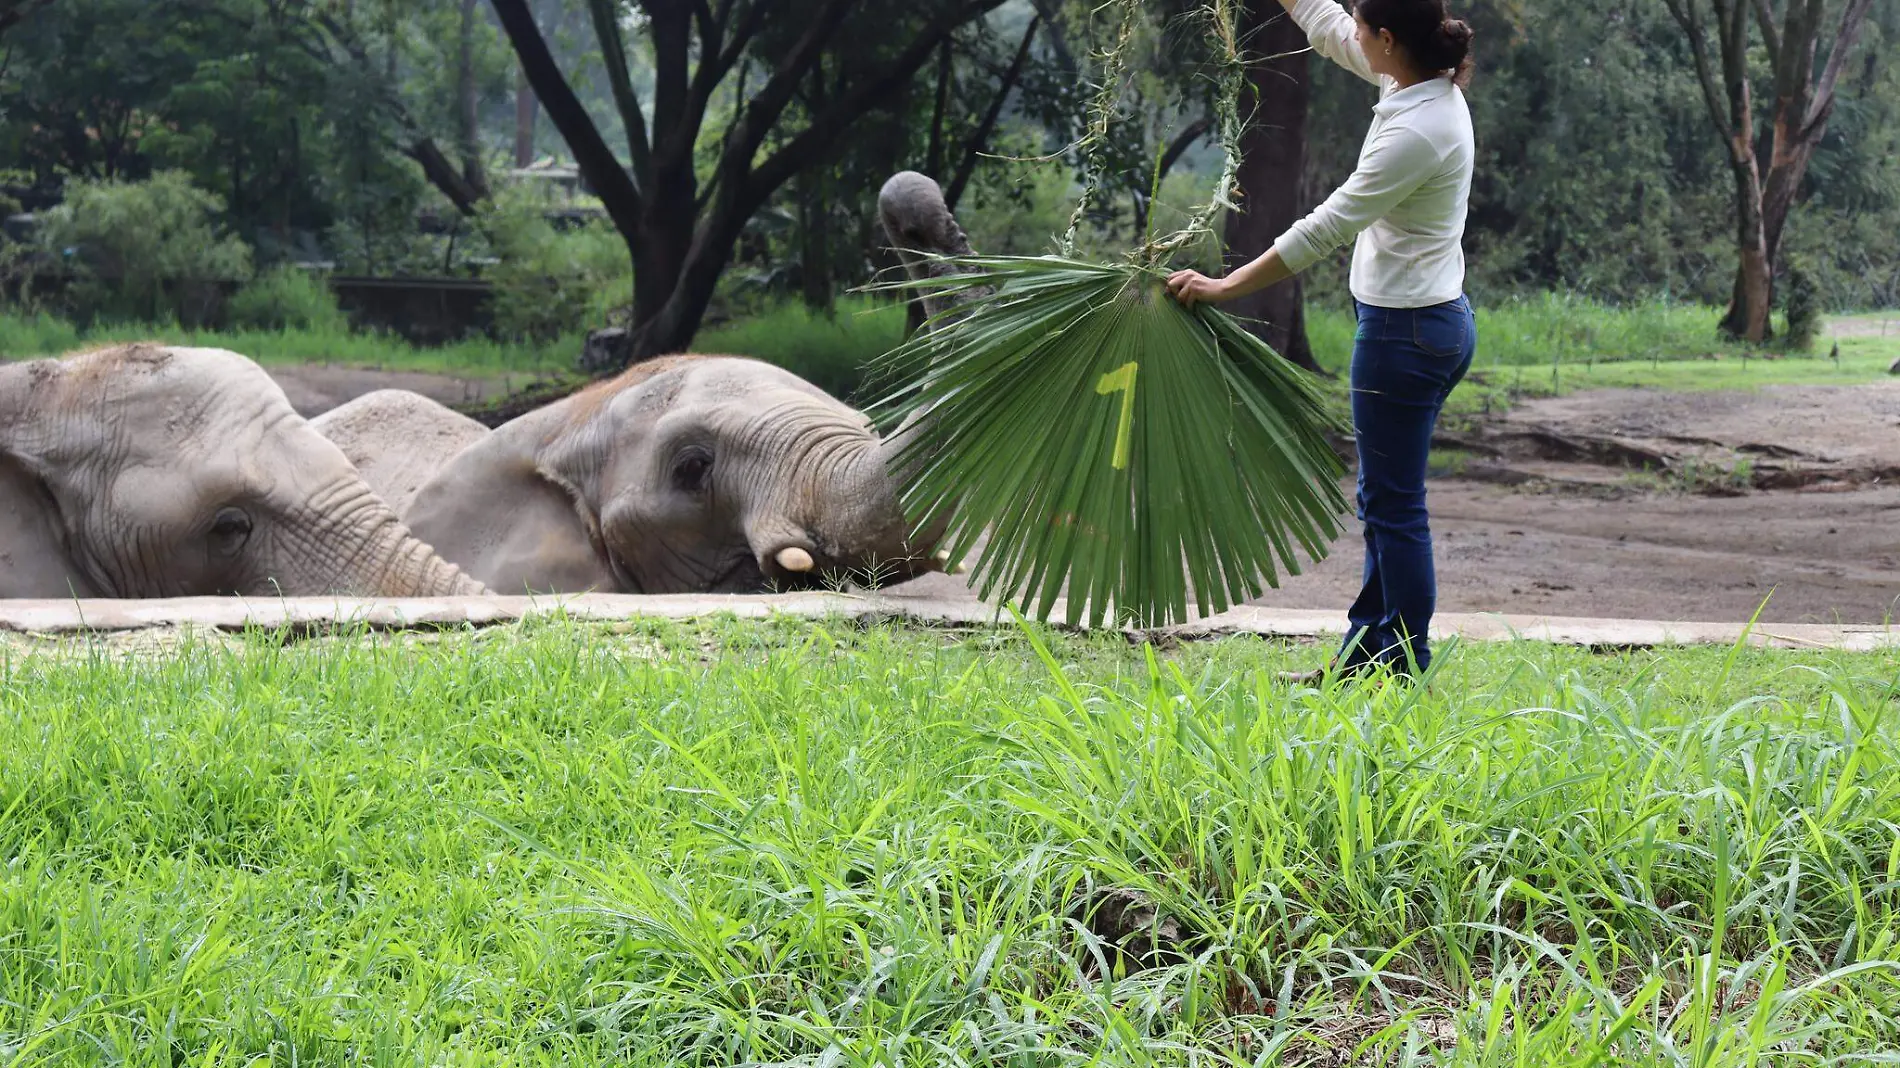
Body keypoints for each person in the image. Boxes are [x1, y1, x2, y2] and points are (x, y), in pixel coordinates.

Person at [1167, 0, 1477, 683]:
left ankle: (1402, 668)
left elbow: (1324, 226)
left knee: (1394, 506)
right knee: (1384, 499)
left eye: (1367, 30)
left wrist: (1224, 287)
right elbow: (1328, 24)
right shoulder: (1412, 81)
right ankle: (1369, 655)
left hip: (1406, 336)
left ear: (1389, 40)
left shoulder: (1420, 129)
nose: (1354, 36)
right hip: (1424, 322)